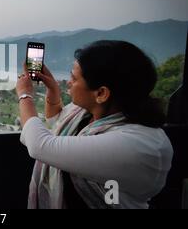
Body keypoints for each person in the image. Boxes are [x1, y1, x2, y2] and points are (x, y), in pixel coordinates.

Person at [16, 40, 173, 209]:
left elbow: (40, 145)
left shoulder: (139, 145)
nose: (68, 82)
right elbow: (57, 122)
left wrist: (25, 96)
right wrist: (53, 90)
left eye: (74, 79)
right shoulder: (86, 114)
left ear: (101, 93)